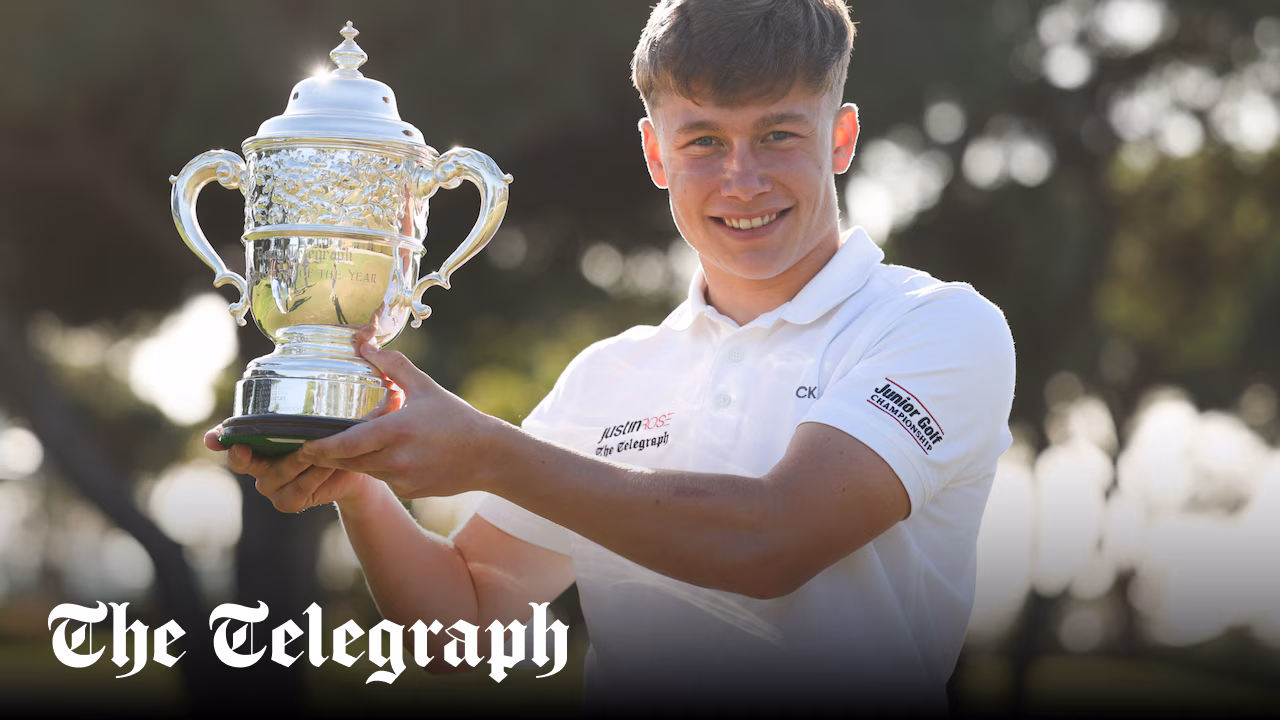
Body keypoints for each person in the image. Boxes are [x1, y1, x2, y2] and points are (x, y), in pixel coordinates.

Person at [208, 0, 1015, 713]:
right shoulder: (609, 374)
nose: (741, 178)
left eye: (778, 134)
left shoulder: (938, 326)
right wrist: (361, 485)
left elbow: (772, 541)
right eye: (702, 140)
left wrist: (489, 452)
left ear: (839, 138)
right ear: (655, 153)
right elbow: (468, 620)